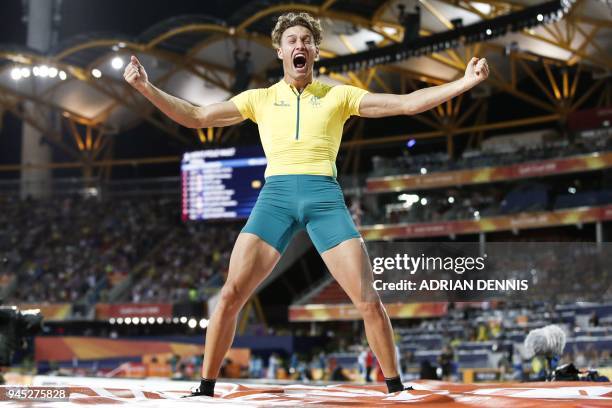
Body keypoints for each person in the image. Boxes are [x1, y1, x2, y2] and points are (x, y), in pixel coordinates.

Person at [124, 11, 489, 397]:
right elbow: (197, 116)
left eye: (306, 40)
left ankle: (396, 388)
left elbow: (406, 104)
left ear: (314, 51)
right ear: (280, 51)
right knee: (231, 294)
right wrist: (146, 88)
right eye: (292, 40)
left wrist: (464, 82)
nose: (300, 45)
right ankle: (205, 387)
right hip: (275, 199)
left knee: (367, 299)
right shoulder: (259, 99)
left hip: (324, 199)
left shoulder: (338, 95)